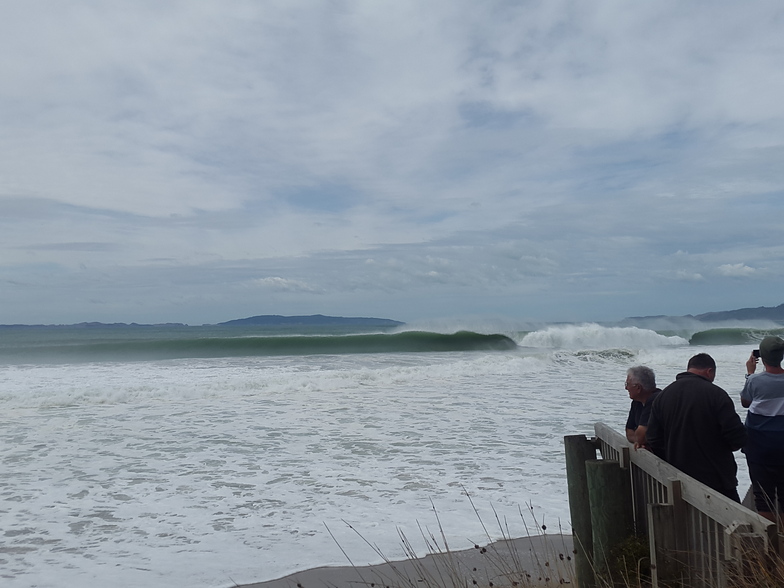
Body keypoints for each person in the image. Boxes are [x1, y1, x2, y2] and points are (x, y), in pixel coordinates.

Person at [646, 353, 747, 501]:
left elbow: (653, 438)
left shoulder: (663, 396)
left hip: (678, 477)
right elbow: (737, 437)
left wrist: (672, 454)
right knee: (731, 521)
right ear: (709, 371)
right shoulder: (717, 395)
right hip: (716, 479)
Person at [741, 336, 784, 521]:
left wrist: (750, 373)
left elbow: (745, 402)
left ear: (762, 358)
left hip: (759, 447)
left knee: (763, 497)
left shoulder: (755, 381)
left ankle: (771, 545)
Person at [624, 366, 660, 449]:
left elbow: (641, 435)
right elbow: (629, 431)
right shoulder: (637, 402)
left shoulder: (656, 400)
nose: (626, 388)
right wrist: (639, 441)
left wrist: (641, 439)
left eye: (627, 384)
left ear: (638, 388)